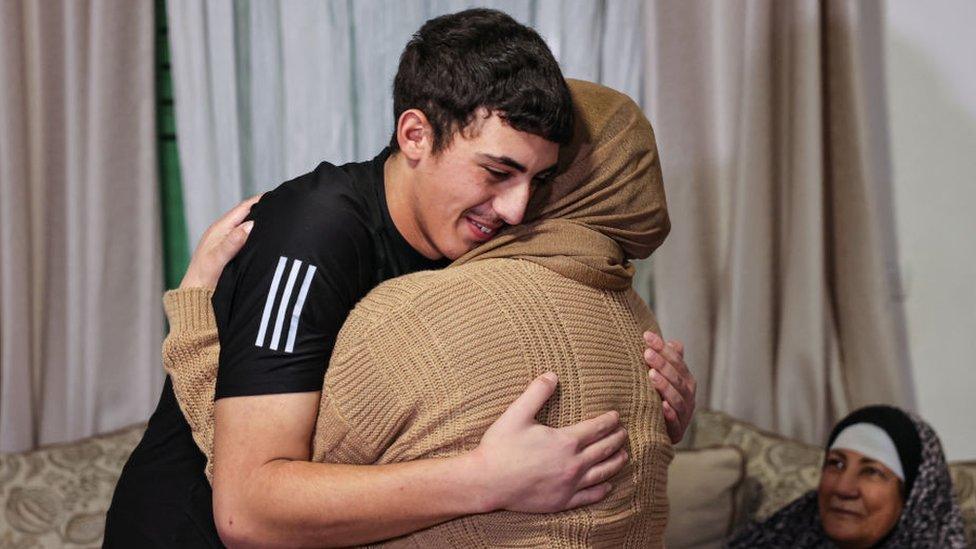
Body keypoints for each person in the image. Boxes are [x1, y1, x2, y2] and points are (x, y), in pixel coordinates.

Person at [106, 9, 695, 547]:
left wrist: (656, 414)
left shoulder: (477, 249)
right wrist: (486, 481)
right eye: (497, 171)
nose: (517, 209)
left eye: (537, 182)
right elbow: (247, 511)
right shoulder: (315, 233)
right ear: (415, 134)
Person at [727, 405, 967, 548]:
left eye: (872, 471)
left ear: (914, 496)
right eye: (836, 464)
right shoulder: (779, 537)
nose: (843, 488)